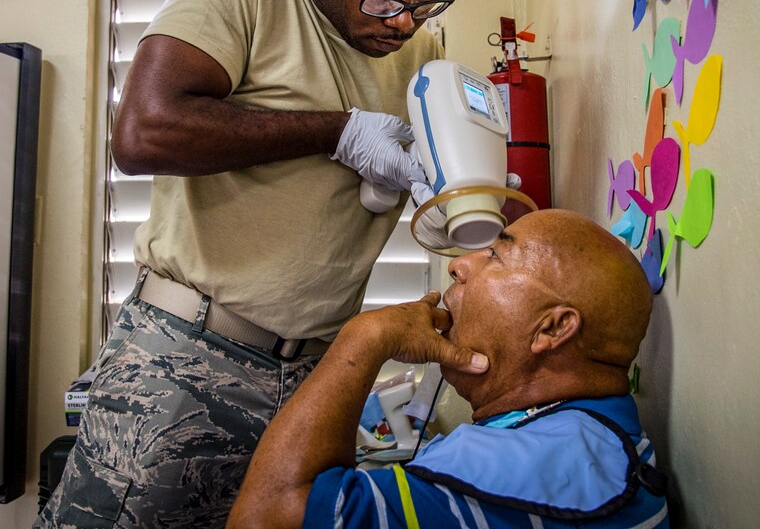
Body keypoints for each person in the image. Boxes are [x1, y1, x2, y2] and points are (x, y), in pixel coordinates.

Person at [37, 0, 453, 528]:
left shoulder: (420, 55)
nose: (403, 19)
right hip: (185, 359)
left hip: (315, 376)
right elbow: (143, 131)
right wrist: (336, 132)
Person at [228, 209, 670, 528]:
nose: (459, 265)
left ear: (552, 328)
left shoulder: (534, 467)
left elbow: (266, 517)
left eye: (496, 256)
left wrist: (364, 338)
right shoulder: (599, 439)